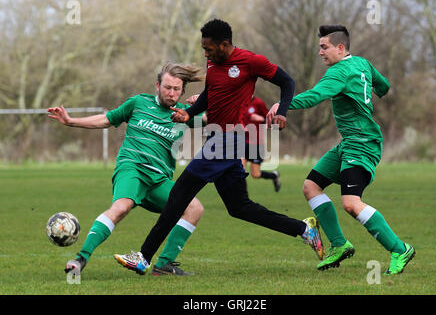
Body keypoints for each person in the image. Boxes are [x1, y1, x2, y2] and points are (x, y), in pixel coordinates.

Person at [114, 19, 325, 275]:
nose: (205, 54)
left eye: (209, 49)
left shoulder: (251, 61)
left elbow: (287, 82)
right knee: (240, 207)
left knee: (179, 193)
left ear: (225, 45)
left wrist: (282, 110)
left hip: (229, 140)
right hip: (217, 138)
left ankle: (143, 257)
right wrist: (189, 112)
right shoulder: (213, 62)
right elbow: (210, 93)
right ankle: (304, 230)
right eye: (204, 49)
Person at [267, 25, 415, 275]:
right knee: (311, 187)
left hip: (362, 143)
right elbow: (384, 86)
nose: (320, 52)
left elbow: (315, 96)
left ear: (340, 48)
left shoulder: (339, 72)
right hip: (348, 143)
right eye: (320, 47)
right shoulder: (362, 63)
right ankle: (339, 244)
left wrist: (283, 105)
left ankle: (400, 249)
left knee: (351, 203)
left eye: (324, 47)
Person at [48, 63, 206, 276]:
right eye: (167, 87)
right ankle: (81, 259)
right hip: (132, 168)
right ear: (157, 85)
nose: (171, 93)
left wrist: (204, 104)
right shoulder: (139, 102)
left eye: (176, 89)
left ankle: (164, 265)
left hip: (159, 180)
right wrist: (71, 121)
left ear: (183, 91)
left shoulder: (184, 115)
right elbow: (107, 119)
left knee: (194, 208)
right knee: (122, 207)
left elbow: (217, 120)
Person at [241, 95, 281, 192]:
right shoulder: (240, 101)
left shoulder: (259, 103)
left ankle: (274, 176)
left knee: (256, 174)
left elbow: (270, 120)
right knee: (239, 172)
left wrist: (261, 119)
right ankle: (242, 198)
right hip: (242, 142)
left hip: (256, 144)